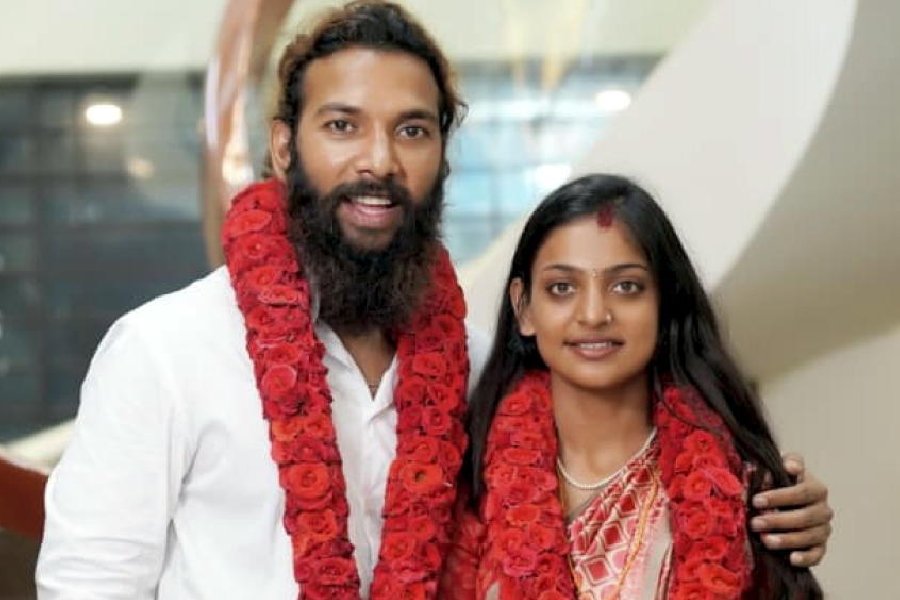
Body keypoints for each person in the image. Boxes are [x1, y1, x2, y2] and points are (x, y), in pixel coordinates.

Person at [36, 2, 831, 598]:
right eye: (343, 125)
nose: (378, 161)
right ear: (285, 146)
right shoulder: (165, 350)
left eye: (412, 131)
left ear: (443, 153)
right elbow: (88, 585)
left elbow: (618, 473)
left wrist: (770, 505)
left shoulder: (481, 375)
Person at [442, 174, 826, 598]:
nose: (593, 314)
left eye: (626, 287)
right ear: (524, 307)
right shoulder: (468, 480)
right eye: (562, 288)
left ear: (665, 303)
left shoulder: (741, 490)